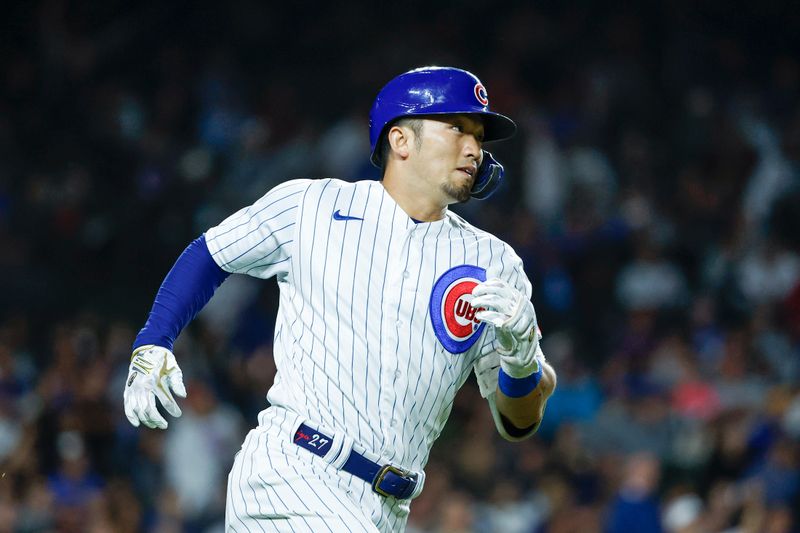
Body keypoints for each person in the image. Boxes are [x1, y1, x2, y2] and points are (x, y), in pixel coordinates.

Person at [123, 66, 557, 532]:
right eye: (457, 128)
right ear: (401, 140)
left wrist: (521, 353)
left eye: (479, 136)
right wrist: (154, 340)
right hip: (293, 473)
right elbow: (211, 253)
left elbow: (517, 423)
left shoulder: (493, 262)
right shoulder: (313, 206)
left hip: (388, 508)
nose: (474, 147)